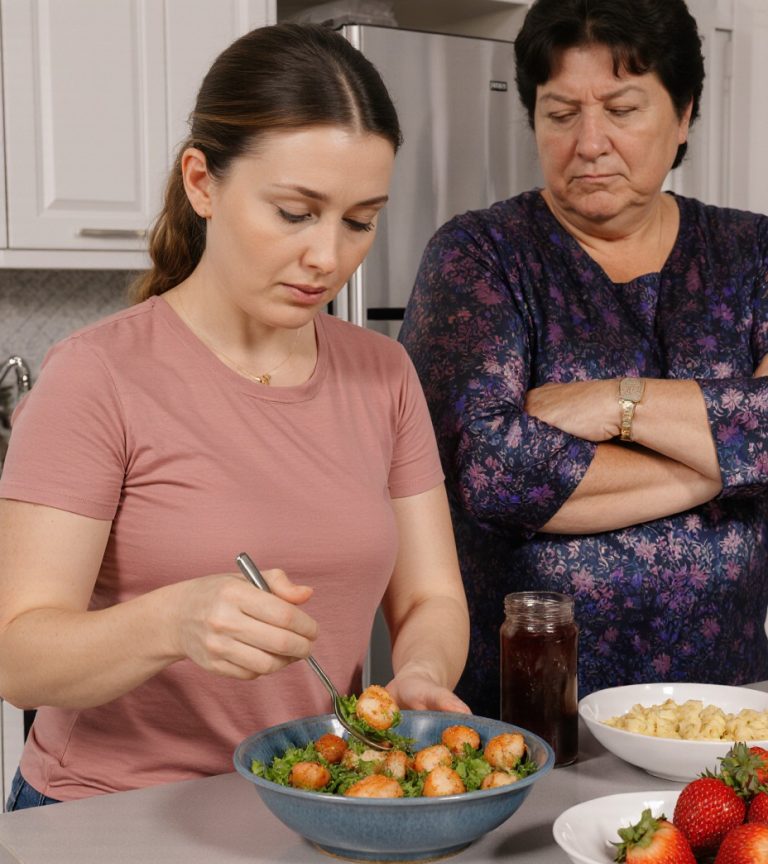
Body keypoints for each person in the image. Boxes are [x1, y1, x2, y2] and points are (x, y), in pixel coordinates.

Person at [0, 23, 470, 809]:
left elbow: (431, 598)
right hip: (109, 814)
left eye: (360, 220)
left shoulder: (384, 374)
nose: (328, 256)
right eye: (294, 211)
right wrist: (173, 621)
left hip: (312, 801)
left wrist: (421, 671)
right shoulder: (97, 374)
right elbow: (18, 657)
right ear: (202, 183)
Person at [399, 0, 768, 719]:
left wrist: (613, 402)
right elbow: (491, 472)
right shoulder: (480, 254)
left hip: (722, 716)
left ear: (684, 113)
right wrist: (734, 462)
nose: (590, 143)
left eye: (622, 109)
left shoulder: (753, 253)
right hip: (528, 722)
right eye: (561, 113)